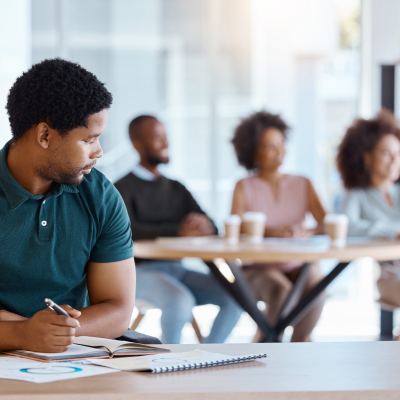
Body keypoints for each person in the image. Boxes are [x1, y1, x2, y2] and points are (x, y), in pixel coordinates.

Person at [0, 59, 136, 353]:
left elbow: (118, 310)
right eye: (89, 139)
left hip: (76, 360)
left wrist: (49, 332)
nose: (99, 152)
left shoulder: (100, 196)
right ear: (45, 135)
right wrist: (23, 334)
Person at [114, 115, 242, 344]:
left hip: (178, 269)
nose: (166, 143)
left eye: (166, 137)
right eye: (157, 138)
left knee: (236, 296)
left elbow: (210, 225)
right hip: (140, 274)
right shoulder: (122, 188)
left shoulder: (176, 187)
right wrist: (178, 231)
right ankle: (170, 363)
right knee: (180, 301)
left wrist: (202, 226)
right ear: (137, 144)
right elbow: (126, 231)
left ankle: (208, 355)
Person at [230, 111, 326, 342]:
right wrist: (273, 232)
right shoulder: (244, 186)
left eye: (281, 143)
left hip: (297, 264)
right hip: (258, 267)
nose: (279, 151)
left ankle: (298, 344)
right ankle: (269, 342)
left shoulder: (303, 183)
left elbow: (326, 224)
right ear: (253, 151)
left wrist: (306, 231)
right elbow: (237, 228)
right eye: (269, 146)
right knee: (281, 291)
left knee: (318, 287)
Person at [337, 109, 400, 237]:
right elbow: (348, 227)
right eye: (386, 152)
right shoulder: (357, 194)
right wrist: (392, 233)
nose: (395, 160)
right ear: (368, 157)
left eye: (398, 153)